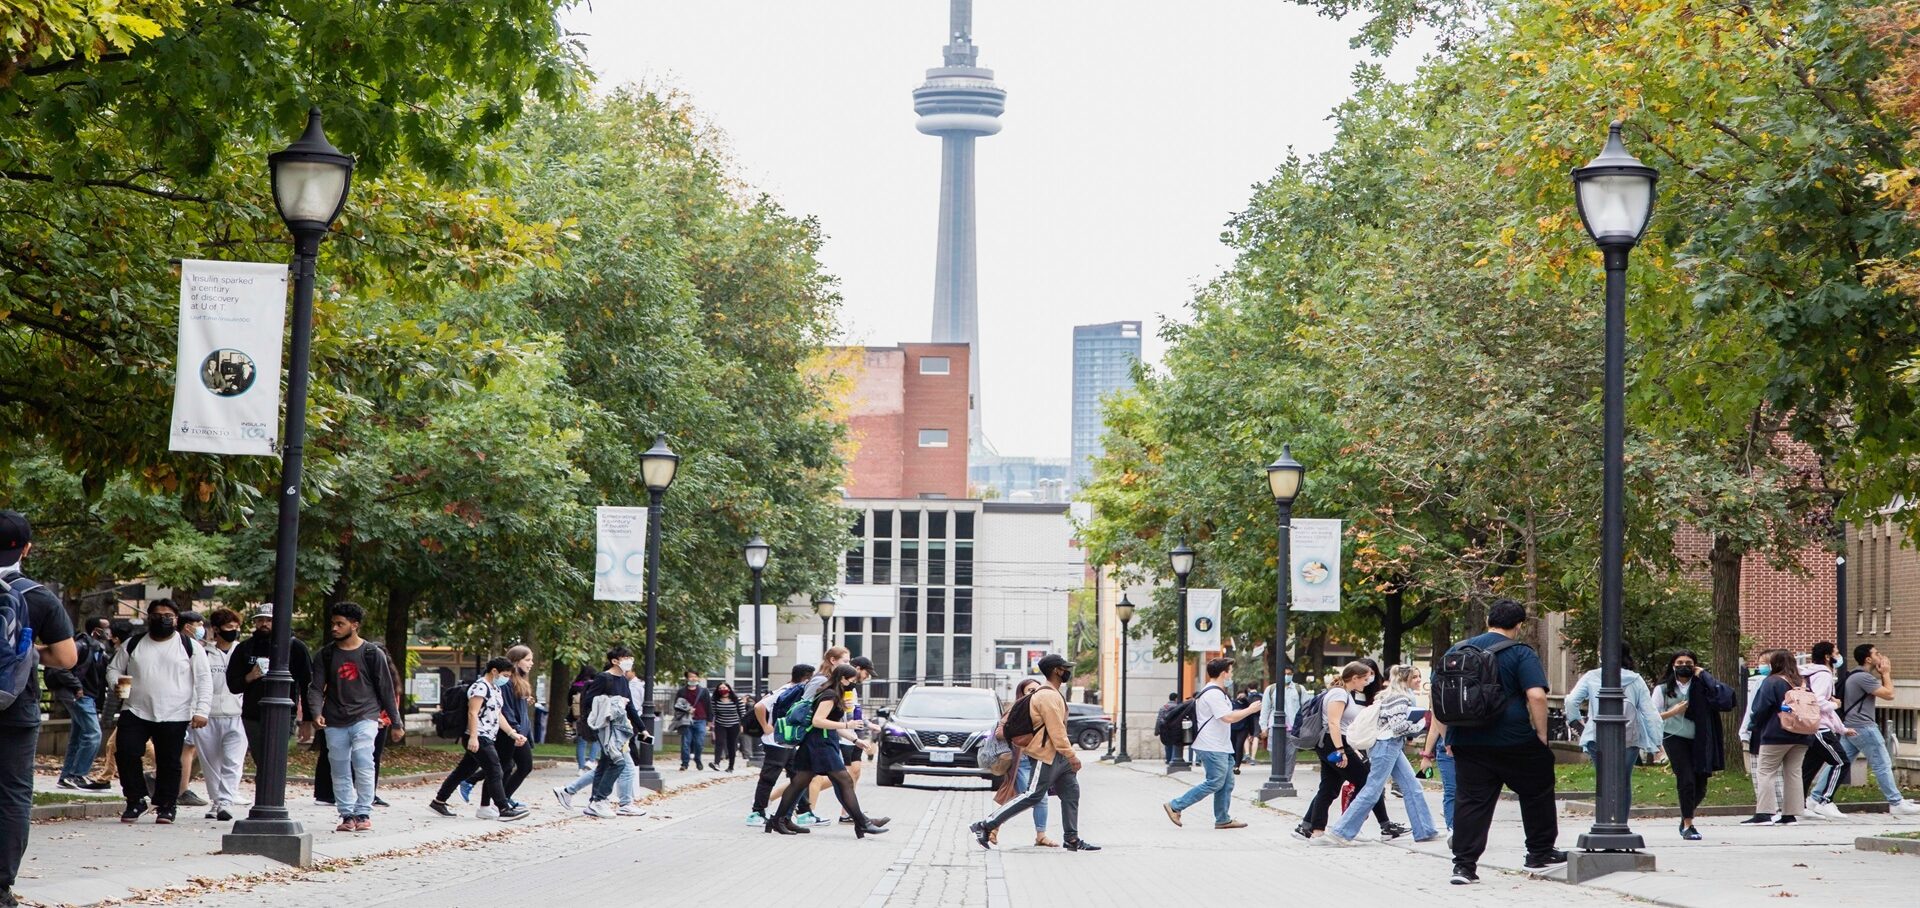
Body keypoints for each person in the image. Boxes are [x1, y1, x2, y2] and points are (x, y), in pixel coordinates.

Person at [1428, 599, 1562, 885]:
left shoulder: (1457, 650)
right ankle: (1539, 852)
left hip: (1467, 740)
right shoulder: (1521, 652)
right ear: (1519, 625)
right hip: (1512, 738)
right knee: (1537, 788)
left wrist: (1446, 736)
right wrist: (1541, 735)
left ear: (1488, 619)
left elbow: (1438, 697)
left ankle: (1464, 866)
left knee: (1471, 801)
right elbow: (1536, 696)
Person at [0, 511, 78, 908]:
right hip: (15, 707)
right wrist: (28, 652)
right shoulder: (37, 595)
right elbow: (66, 657)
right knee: (12, 794)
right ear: (25, 548)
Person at [970, 654, 1098, 851]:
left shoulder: (1053, 693)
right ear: (1056, 670)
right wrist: (1072, 755)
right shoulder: (1046, 696)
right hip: (1044, 756)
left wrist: (1066, 756)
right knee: (1033, 795)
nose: (1067, 672)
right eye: (1065, 668)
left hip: (1059, 756)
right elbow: (1057, 731)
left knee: (1071, 793)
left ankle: (1071, 839)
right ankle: (986, 825)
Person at [106, 600, 211, 825]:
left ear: (176, 619)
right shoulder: (133, 644)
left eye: (168, 615)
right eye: (157, 614)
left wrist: (202, 710)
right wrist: (116, 683)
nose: (162, 619)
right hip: (135, 709)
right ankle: (135, 800)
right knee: (126, 752)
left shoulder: (190, 646)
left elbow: (204, 680)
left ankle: (166, 804)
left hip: (175, 712)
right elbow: (114, 668)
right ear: (148, 617)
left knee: (169, 761)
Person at [308, 602, 402, 833]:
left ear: (355, 625)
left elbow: (386, 690)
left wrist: (396, 723)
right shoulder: (326, 654)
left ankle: (363, 812)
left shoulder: (372, 653)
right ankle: (347, 814)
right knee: (339, 767)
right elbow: (316, 687)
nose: (335, 628)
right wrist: (316, 712)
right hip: (334, 719)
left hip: (365, 716)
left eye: (340, 624)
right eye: (333, 623)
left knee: (362, 760)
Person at [767, 664, 890, 838]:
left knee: (799, 783)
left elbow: (832, 725)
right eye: (852, 681)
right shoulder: (829, 695)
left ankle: (778, 820)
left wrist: (855, 740)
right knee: (844, 780)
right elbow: (818, 721)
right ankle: (862, 824)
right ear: (842, 679)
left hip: (821, 742)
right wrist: (848, 724)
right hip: (820, 745)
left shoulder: (833, 695)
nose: (853, 684)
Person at [1328, 664, 1441, 845]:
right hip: (1387, 745)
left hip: (1390, 746)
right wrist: (1421, 725)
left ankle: (1425, 830)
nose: (1419, 680)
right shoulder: (1400, 698)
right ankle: (1341, 831)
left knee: (1413, 787)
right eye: (1415, 677)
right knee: (1373, 789)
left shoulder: (1397, 696)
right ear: (1405, 679)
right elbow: (1398, 727)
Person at [1812, 645, 1919, 816]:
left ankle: (1815, 798)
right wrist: (1886, 673)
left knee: (1839, 762)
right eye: (1877, 653)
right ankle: (1896, 802)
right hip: (1864, 727)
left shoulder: (1855, 675)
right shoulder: (1863, 677)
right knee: (1882, 764)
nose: (1881, 655)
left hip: (1852, 726)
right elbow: (1889, 694)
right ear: (1868, 659)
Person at [1163, 657, 1263, 830]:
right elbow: (1228, 717)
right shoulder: (1213, 694)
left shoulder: (1215, 692)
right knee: (1215, 782)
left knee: (1227, 782)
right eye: (1230, 671)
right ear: (1224, 673)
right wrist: (1250, 710)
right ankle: (1175, 805)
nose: (1232, 674)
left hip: (1220, 745)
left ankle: (1223, 818)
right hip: (1211, 746)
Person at [1647, 650, 1734, 839]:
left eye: (1688, 662)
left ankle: (1685, 815)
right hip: (1674, 737)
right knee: (1686, 779)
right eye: (1679, 662)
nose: (1684, 666)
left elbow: (1725, 697)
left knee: (1700, 785)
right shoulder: (1663, 689)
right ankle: (1688, 825)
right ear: (1673, 665)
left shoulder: (1702, 686)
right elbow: (1652, 716)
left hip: (1701, 739)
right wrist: (1673, 711)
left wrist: (1704, 675)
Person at [429, 658, 528, 821]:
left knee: (464, 770)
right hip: (478, 736)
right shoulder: (480, 687)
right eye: (504, 675)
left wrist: (512, 733)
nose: (506, 679)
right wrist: (473, 737)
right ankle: (503, 808)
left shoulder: (495, 688)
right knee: (495, 769)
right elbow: (472, 712)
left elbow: (498, 714)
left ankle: (439, 801)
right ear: (494, 671)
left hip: (487, 735)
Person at [226, 603, 314, 775]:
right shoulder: (245, 648)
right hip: (253, 714)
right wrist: (249, 677)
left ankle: (272, 799)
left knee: (273, 759)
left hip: (284, 713)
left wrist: (308, 720)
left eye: (269, 620)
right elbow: (233, 685)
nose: (264, 624)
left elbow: (307, 684)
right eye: (260, 620)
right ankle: (264, 797)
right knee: (262, 761)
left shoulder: (296, 648)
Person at [1295, 662, 1373, 840]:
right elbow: (1334, 723)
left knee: (1329, 787)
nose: (1366, 683)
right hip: (1334, 743)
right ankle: (1346, 825)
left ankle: (1315, 830)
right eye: (1365, 679)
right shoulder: (1339, 694)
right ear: (1354, 678)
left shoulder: (1342, 693)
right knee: (1366, 780)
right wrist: (1341, 750)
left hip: (1332, 743)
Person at [1741, 648, 1815, 825]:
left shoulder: (1771, 681)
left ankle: (1764, 813)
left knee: (1765, 771)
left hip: (1776, 733)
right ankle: (1790, 814)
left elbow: (1760, 709)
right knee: (1794, 772)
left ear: (1774, 664)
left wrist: (1753, 726)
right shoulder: (1802, 683)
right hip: (1802, 734)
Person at [575, 645, 648, 819]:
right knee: (619, 763)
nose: (630, 661)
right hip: (605, 728)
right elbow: (589, 701)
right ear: (614, 661)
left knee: (606, 764)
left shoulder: (623, 679)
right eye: (625, 658)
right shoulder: (603, 678)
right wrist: (614, 701)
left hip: (619, 730)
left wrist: (643, 728)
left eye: (631, 658)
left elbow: (629, 706)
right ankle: (601, 801)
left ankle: (593, 800)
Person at [190, 608, 248, 821]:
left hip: (237, 714)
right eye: (229, 627)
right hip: (208, 716)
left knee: (233, 762)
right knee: (211, 763)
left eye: (236, 627)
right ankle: (217, 801)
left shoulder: (242, 652)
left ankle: (225, 801)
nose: (234, 631)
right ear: (215, 629)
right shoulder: (203, 653)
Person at [1563, 648, 1664, 767]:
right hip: (1629, 738)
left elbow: (1571, 701)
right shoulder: (1636, 680)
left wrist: (1576, 721)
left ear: (1601, 654)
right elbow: (1650, 713)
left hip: (1596, 735)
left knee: (1603, 779)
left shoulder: (1591, 677)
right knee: (1624, 779)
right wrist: (1657, 742)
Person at [747, 663, 813, 829]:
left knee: (798, 776)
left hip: (787, 741)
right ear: (806, 678)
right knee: (770, 776)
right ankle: (757, 812)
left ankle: (804, 811)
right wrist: (766, 727)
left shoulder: (796, 690)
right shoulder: (787, 691)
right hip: (776, 741)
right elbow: (759, 706)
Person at [49, 617, 111, 790]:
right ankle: (77, 775)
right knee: (93, 734)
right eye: (106, 628)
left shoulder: (99, 648)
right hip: (78, 695)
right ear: (96, 631)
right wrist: (76, 686)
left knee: (78, 737)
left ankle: (67, 777)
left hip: (87, 696)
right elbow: (59, 666)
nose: (109, 632)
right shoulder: (81, 645)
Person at [998, 677, 1056, 846]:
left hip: (1039, 760)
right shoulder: (1016, 710)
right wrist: (1019, 734)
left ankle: (1040, 835)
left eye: (1037, 690)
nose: (1034, 694)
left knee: (1039, 798)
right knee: (1028, 798)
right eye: (1030, 690)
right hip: (1022, 761)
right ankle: (993, 825)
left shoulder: (1043, 709)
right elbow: (999, 733)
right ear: (1021, 693)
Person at [169, 611, 209, 810]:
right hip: (184, 706)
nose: (202, 628)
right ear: (187, 626)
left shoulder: (192, 647)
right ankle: (181, 790)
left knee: (185, 747)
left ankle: (168, 781)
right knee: (187, 747)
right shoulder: (188, 648)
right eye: (199, 624)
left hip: (185, 705)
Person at [1797, 641, 1848, 795]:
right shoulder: (1824, 675)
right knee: (1841, 762)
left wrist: (1842, 729)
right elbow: (1817, 701)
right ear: (1827, 657)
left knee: (1808, 768)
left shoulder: (1811, 673)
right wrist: (1835, 705)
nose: (1839, 657)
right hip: (1820, 727)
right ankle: (1824, 800)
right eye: (1836, 653)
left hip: (1812, 726)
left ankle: (1798, 804)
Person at [1259, 664, 1304, 783]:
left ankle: (1286, 781)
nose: (1287, 676)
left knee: (1290, 757)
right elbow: (1265, 709)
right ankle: (1276, 777)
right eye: (1284, 674)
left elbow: (1306, 708)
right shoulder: (1271, 689)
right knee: (1274, 754)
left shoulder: (1299, 689)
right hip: (1275, 727)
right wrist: (1263, 727)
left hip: (1293, 728)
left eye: (1289, 674)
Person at [672, 670, 711, 771]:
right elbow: (676, 705)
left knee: (699, 742)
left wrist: (710, 720)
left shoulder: (704, 691)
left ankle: (698, 759)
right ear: (686, 678)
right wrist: (687, 709)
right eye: (690, 677)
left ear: (698, 678)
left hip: (700, 719)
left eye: (695, 676)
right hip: (686, 720)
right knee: (686, 742)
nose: (693, 678)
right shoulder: (682, 691)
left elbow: (708, 706)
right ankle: (685, 763)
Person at [709, 683, 747, 772]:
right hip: (720, 724)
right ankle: (716, 763)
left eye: (724, 687)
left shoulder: (737, 700)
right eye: (720, 688)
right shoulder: (715, 700)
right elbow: (713, 713)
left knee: (731, 745)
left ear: (729, 689)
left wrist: (742, 725)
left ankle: (731, 766)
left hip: (734, 725)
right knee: (719, 742)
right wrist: (711, 723)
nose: (722, 689)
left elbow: (743, 714)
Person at [569, 666, 598, 771]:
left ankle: (581, 767)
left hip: (579, 716)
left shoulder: (575, 686)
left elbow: (569, 702)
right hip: (594, 715)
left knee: (581, 741)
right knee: (596, 740)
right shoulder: (596, 685)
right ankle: (591, 761)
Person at [1230, 684, 1260, 771]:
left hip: (1243, 728)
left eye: (1243, 694)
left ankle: (1237, 765)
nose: (1241, 696)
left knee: (1239, 745)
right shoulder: (1233, 704)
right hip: (1233, 727)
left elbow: (1250, 720)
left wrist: (1251, 732)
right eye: (1240, 694)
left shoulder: (1248, 706)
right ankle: (1232, 762)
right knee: (1233, 745)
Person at [1154, 692, 1181, 764]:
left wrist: (1157, 731)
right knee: (1174, 744)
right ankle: (1173, 759)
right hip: (1174, 728)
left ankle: (1168, 759)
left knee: (1167, 744)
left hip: (1165, 729)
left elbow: (1159, 719)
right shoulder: (1178, 707)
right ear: (1176, 698)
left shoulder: (1163, 707)